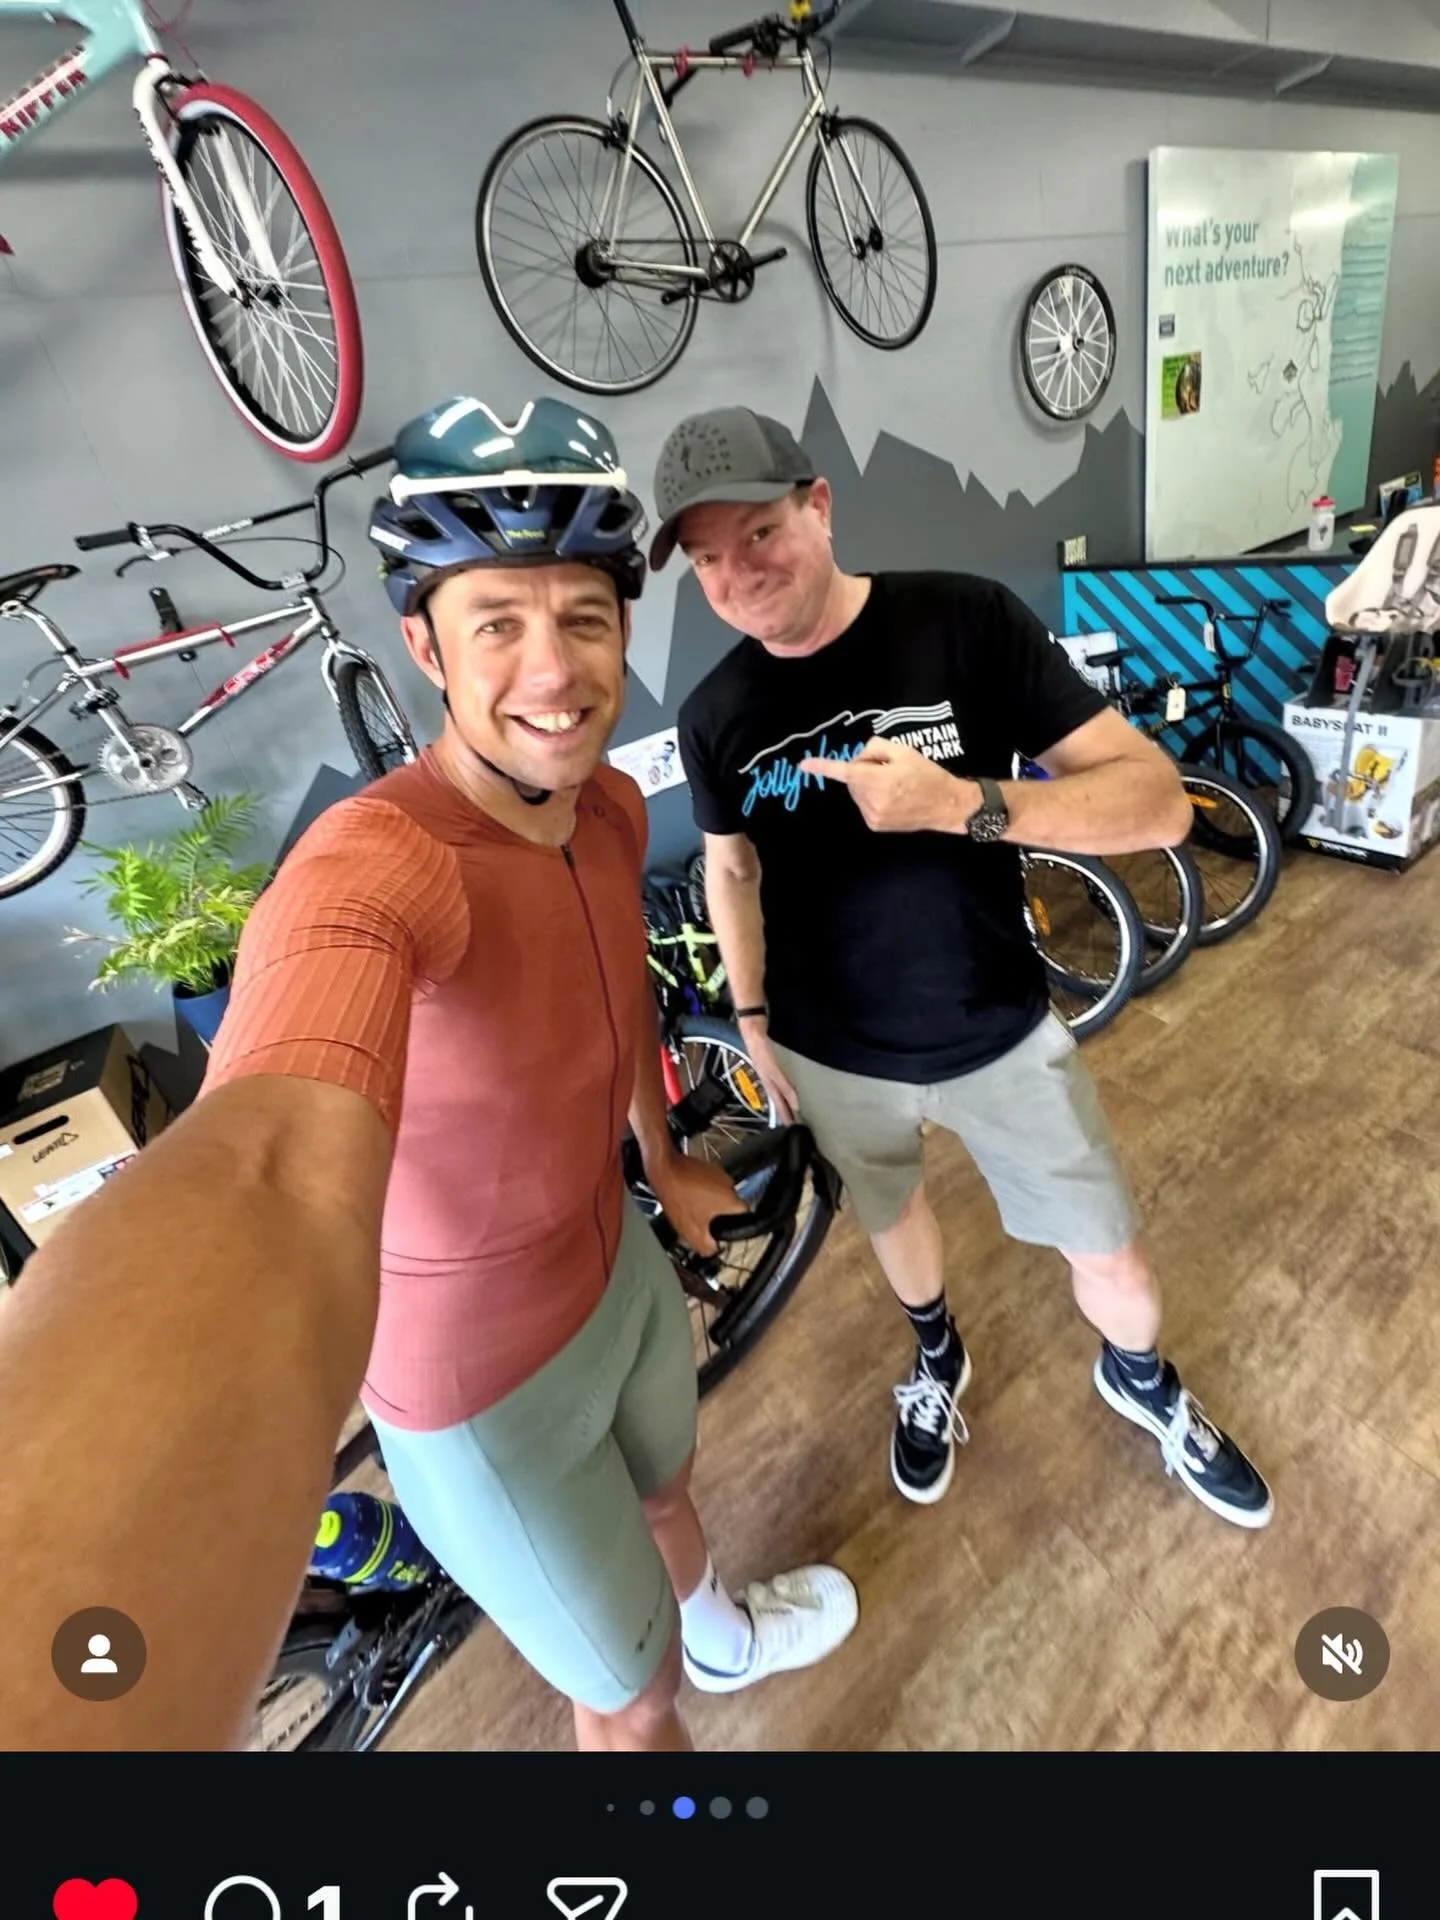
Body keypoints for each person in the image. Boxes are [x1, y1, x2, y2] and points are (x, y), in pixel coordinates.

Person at [0, 396, 857, 1754]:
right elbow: (270, 1167)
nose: (552, 670)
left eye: (583, 617)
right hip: (482, 1391)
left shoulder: (606, 808)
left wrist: (661, 1152)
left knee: (671, 1497)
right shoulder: (382, 863)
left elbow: (618, 991)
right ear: (423, 645)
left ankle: (725, 1633)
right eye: (496, 623)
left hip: (620, 1271)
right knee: (629, 1702)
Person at [654, 404, 1272, 1528]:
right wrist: (749, 1014)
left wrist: (966, 806)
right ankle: (937, 1356)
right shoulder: (715, 716)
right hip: (831, 1052)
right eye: (705, 559)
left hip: (998, 1030)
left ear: (820, 507)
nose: (736, 576)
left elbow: (1159, 805)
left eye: (759, 534)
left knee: (1113, 1257)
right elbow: (732, 871)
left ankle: (1141, 1380)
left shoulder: (964, 621)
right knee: (893, 1217)